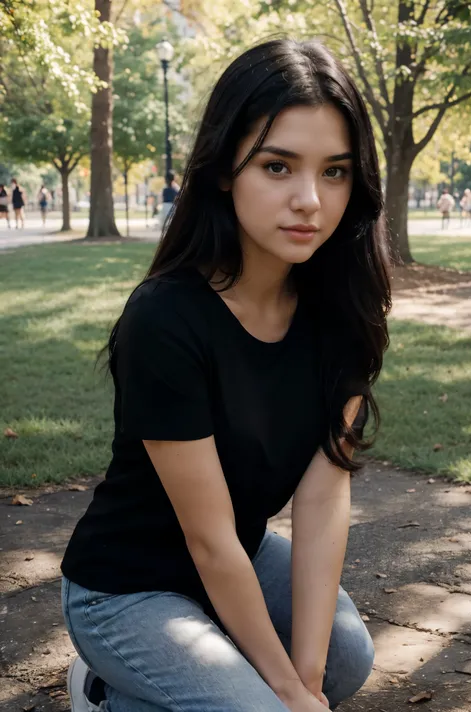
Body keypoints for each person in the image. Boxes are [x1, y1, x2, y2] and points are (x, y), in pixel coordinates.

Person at [61, 38, 391, 712]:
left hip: (238, 555)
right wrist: (281, 690)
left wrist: (305, 676)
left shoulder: (345, 311)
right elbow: (208, 541)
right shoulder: (166, 319)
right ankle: (102, 690)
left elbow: (324, 499)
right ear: (222, 172)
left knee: (345, 661)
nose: (310, 200)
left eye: (334, 172)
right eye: (278, 167)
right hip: (125, 586)